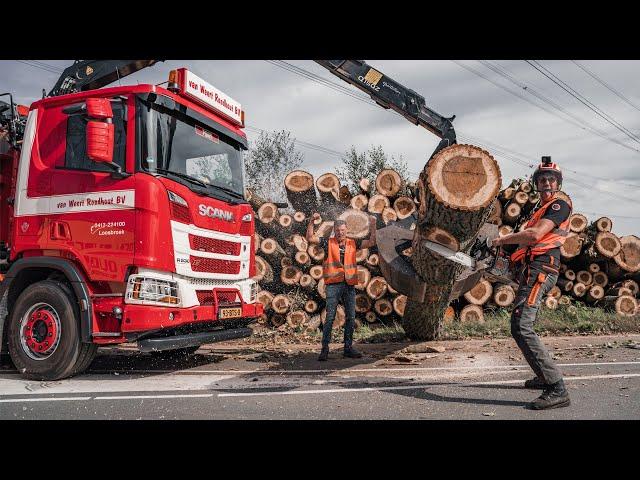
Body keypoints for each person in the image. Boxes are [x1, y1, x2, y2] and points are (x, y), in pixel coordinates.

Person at [491, 157, 572, 410]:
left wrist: (501, 241)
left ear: (557, 183)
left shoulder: (559, 206)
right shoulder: (537, 211)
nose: (546, 183)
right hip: (531, 269)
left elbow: (535, 236)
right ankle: (543, 375)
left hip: (542, 269)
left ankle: (557, 388)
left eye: (551, 179)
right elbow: (526, 244)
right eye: (542, 179)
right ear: (536, 183)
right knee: (521, 324)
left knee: (521, 325)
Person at [306, 213, 377, 361]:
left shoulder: (353, 243)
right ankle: (324, 350)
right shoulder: (328, 242)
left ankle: (348, 348)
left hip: (349, 285)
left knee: (351, 317)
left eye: (343, 230)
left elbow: (371, 242)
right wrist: (312, 222)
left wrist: (373, 224)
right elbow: (310, 238)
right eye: (338, 231)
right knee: (330, 317)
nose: (340, 233)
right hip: (333, 285)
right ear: (334, 230)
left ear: (347, 230)